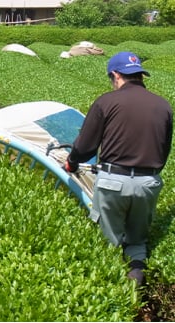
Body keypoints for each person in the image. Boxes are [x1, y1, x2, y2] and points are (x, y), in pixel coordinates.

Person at [64, 51, 173, 286]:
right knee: (137, 241)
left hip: (114, 181)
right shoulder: (163, 106)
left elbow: (85, 145)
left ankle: (111, 295)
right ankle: (135, 281)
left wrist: (72, 162)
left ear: (115, 75)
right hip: (148, 183)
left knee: (108, 241)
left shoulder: (107, 102)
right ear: (140, 75)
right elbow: (164, 150)